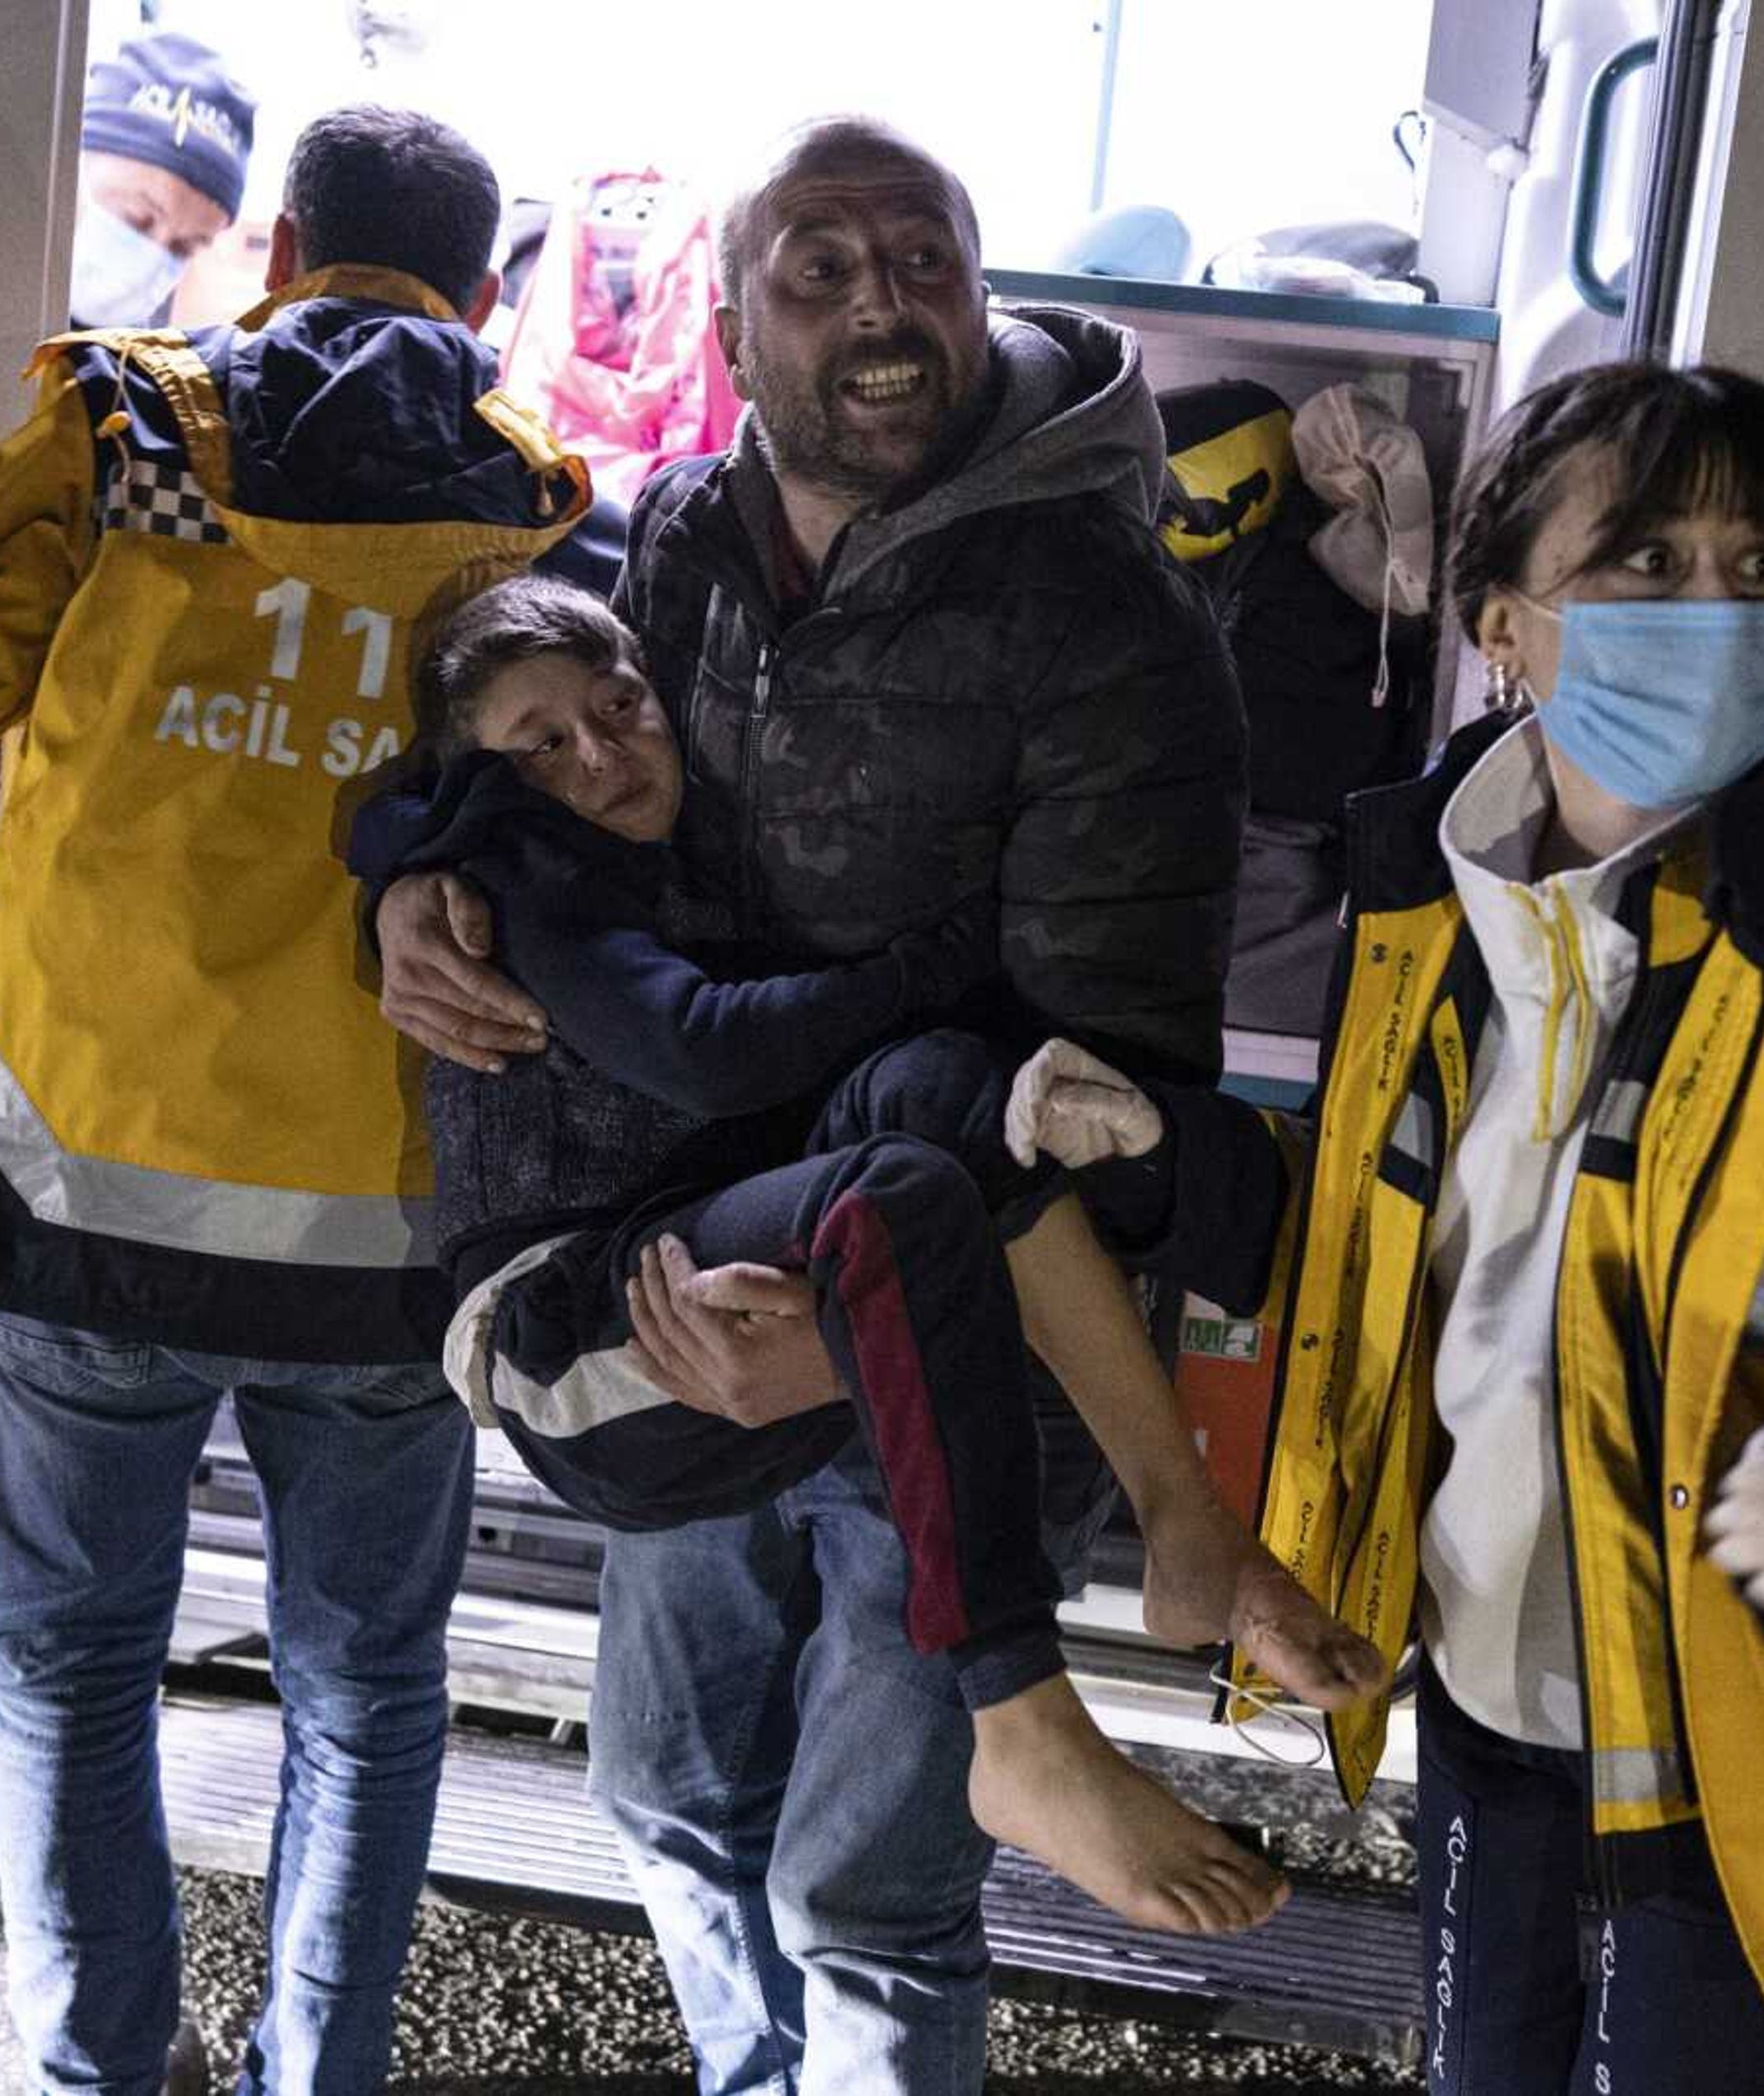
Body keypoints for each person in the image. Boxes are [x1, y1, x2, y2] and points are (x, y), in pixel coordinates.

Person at [1004, 361, 1764, 2096]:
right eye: (1647, 563)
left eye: (1761, 558)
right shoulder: (1430, 886)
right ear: (1505, 621)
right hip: (1486, 1700)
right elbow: (1415, 1247)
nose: (1716, 608)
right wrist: (1165, 1162)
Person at [372, 115, 1247, 2094]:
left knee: (868, 1887)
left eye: (917, 257)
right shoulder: (677, 533)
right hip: (710, 1264)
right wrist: (411, 890)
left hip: (940, 1337)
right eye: (818, 266)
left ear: (979, 282)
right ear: (732, 316)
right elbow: (500, 737)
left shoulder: (1110, 622)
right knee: (666, 1794)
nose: (877, 305)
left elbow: (1102, 1090)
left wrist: (863, 1364)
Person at [0, 107, 593, 2096]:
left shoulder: (130, 438)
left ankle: (100, 2065)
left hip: (86, 1192)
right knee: (366, 1688)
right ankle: (314, 2072)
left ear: (277, 247)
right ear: (485, 291)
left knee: (74, 1657)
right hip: (390, 1241)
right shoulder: (535, 500)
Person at [359, 575, 1381, 1933]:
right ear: (482, 777)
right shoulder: (516, 874)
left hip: (736, 1271)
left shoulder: (695, 823)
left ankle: (1189, 1524)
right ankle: (1019, 1712)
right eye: (542, 742)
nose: (602, 754)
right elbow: (703, 1052)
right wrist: (952, 945)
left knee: (949, 1094)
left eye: (619, 709)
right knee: (895, 1184)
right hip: (566, 1334)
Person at [68, 34, 257, 331]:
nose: (148, 261)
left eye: (184, 247)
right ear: (71, 166)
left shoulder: (129, 369)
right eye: (137, 219)